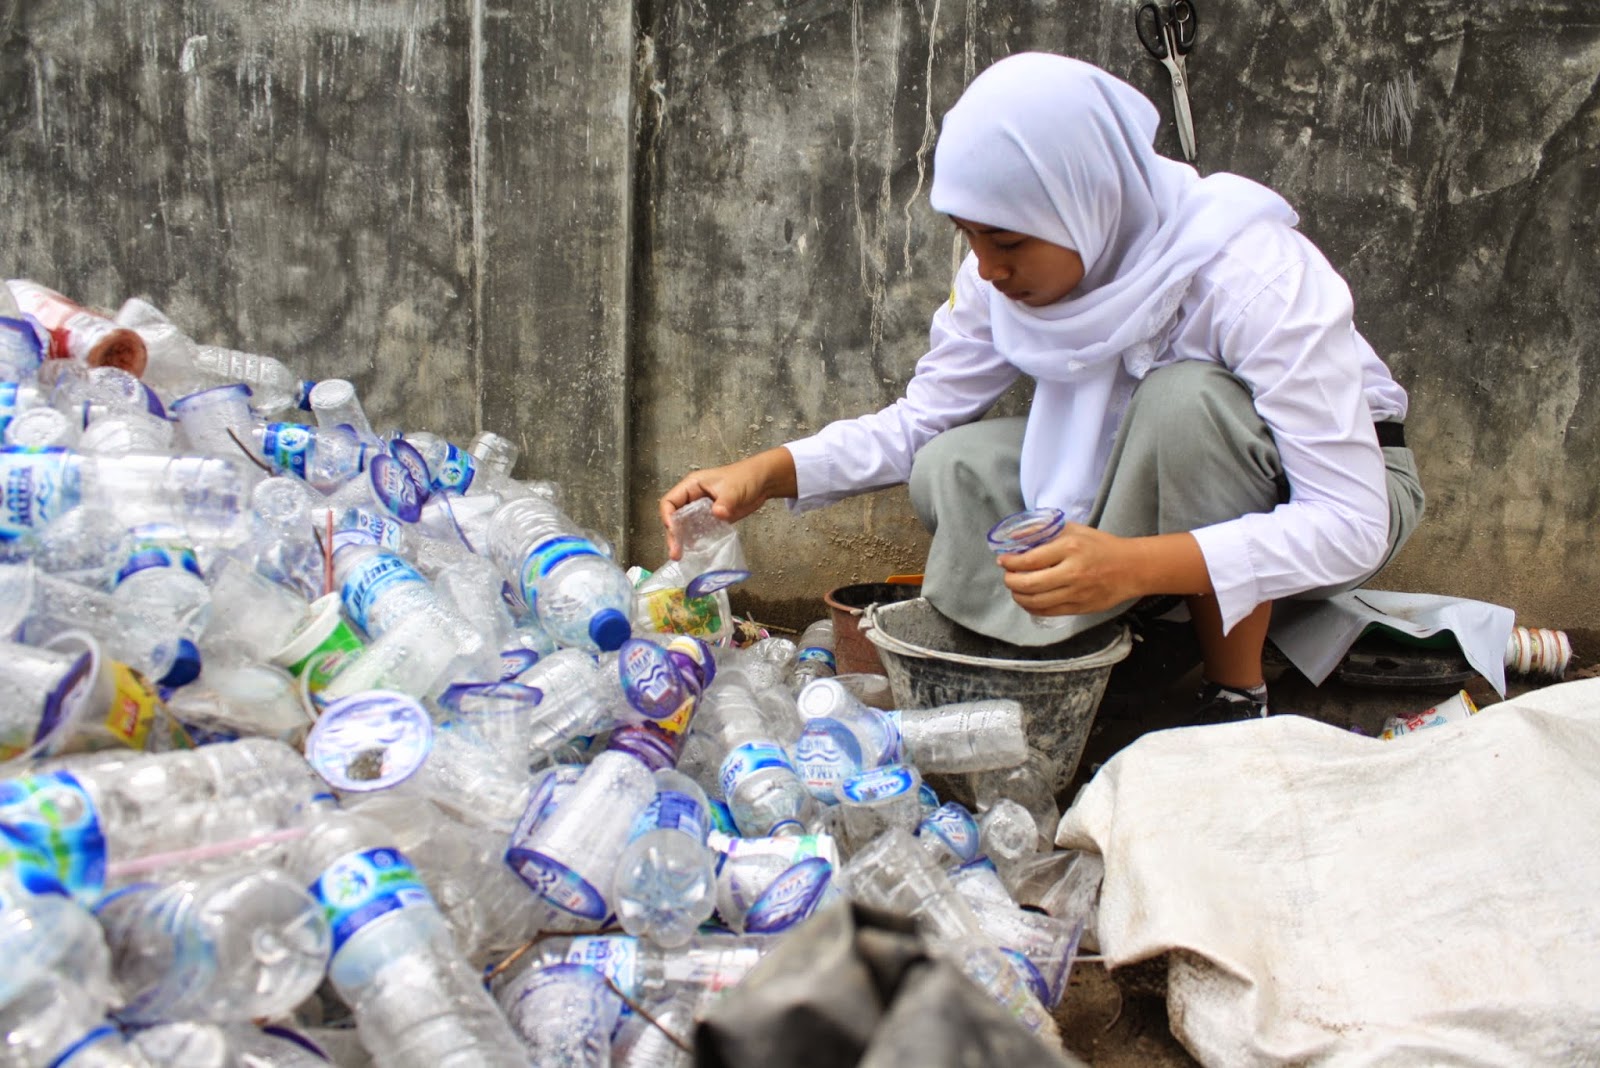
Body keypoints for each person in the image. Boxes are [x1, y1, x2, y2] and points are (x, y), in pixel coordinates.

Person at [658, 53, 1424, 724]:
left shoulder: (1252, 274)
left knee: (1185, 404)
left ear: (1085, 200)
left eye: (1008, 241)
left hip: (1335, 488)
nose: (987, 267)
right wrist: (768, 472)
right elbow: (921, 423)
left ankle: (1232, 694)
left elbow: (1348, 520)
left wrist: (1133, 565)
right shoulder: (1002, 272)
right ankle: (1089, 650)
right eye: (971, 237)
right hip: (1135, 461)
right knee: (950, 467)